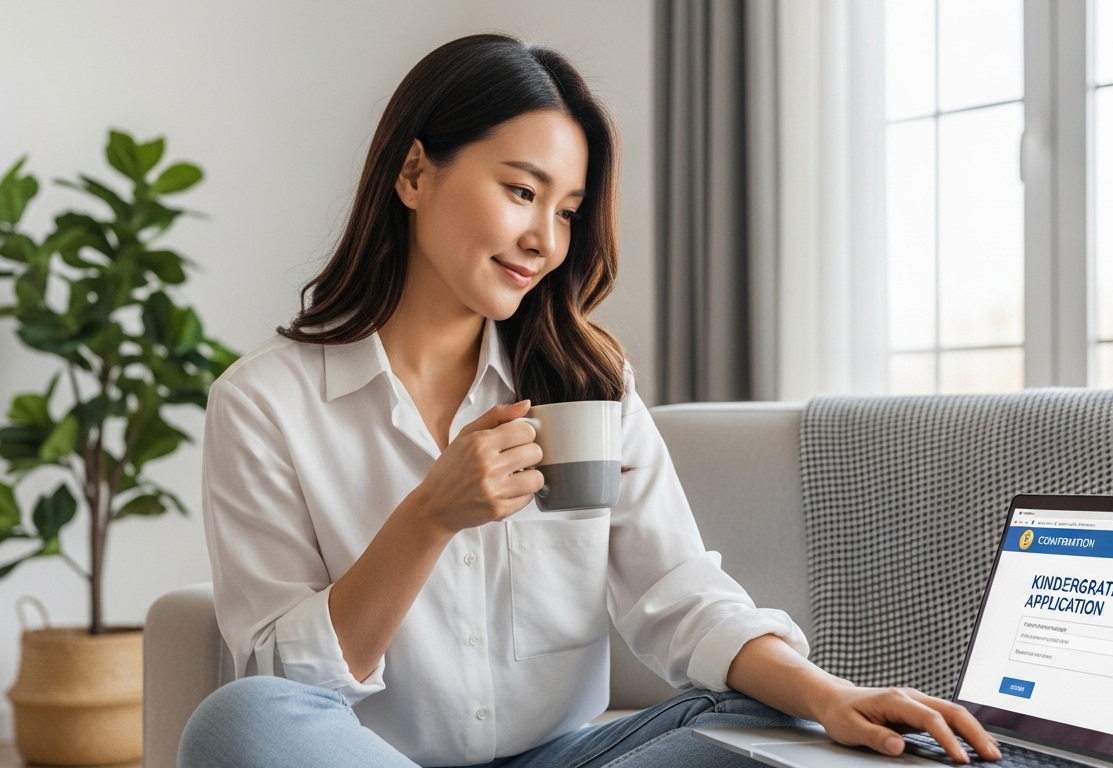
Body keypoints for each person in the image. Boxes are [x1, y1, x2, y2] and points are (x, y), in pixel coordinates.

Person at [177, 33, 1000, 768]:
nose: (546, 240)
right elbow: (288, 680)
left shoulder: (584, 384)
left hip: (572, 758)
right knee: (242, 720)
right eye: (522, 192)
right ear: (415, 172)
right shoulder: (265, 403)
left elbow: (677, 593)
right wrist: (427, 517)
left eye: (567, 211)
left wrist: (829, 695)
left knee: (765, 716)